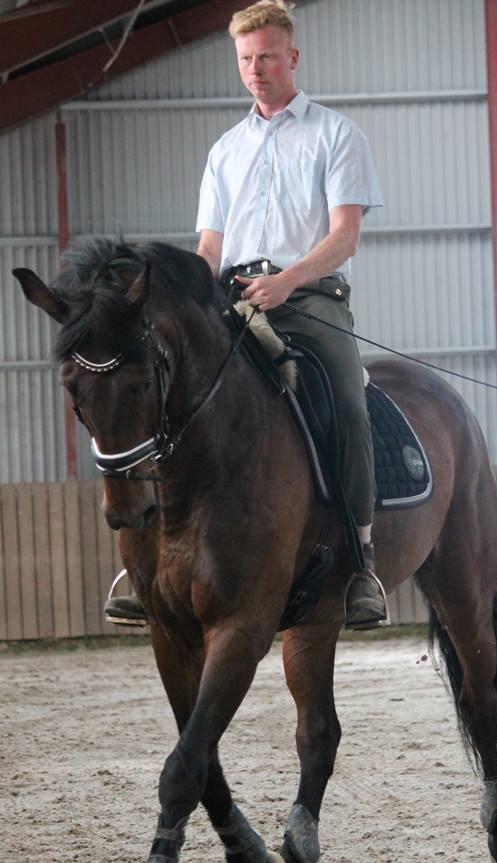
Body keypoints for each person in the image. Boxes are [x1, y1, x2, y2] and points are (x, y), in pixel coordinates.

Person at [105, 0, 387, 630]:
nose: (255, 69)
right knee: (164, 387)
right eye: (245, 59)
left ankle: (361, 557)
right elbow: (210, 249)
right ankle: (143, 556)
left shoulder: (337, 135)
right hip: (230, 295)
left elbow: (344, 237)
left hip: (310, 297)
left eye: (266, 56)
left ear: (292, 57)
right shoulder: (225, 150)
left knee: (345, 397)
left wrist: (288, 281)